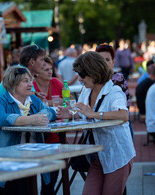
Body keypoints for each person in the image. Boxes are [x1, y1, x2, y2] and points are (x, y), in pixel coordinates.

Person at [58, 51, 135, 195]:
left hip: (117, 155)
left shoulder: (114, 91)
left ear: (93, 73)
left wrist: (94, 114)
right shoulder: (86, 92)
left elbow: (123, 115)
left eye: (82, 75)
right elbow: (83, 115)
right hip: (96, 157)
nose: (79, 79)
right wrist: (70, 114)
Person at [0, 66, 57, 195]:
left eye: (30, 81)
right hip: (10, 160)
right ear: (13, 83)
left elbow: (51, 112)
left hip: (35, 157)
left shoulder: (33, 99)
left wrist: (43, 115)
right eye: (25, 81)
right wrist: (30, 119)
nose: (30, 84)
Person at [0, 44, 46, 150]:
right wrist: (33, 119)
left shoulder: (23, 74)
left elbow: (39, 104)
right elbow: (1, 118)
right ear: (32, 62)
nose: (44, 63)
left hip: (0, 125)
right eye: (42, 60)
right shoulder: (19, 74)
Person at [33, 56, 62, 194]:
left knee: (50, 180)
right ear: (36, 72)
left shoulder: (56, 82)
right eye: (45, 69)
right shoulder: (31, 85)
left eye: (51, 69)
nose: (50, 72)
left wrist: (47, 103)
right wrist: (54, 103)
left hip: (54, 133)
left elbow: (70, 101)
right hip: (34, 135)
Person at [96, 44, 133, 139]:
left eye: (107, 60)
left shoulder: (118, 78)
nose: (103, 63)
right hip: (101, 125)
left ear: (113, 62)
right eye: (100, 60)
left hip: (120, 126)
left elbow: (121, 109)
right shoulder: (91, 80)